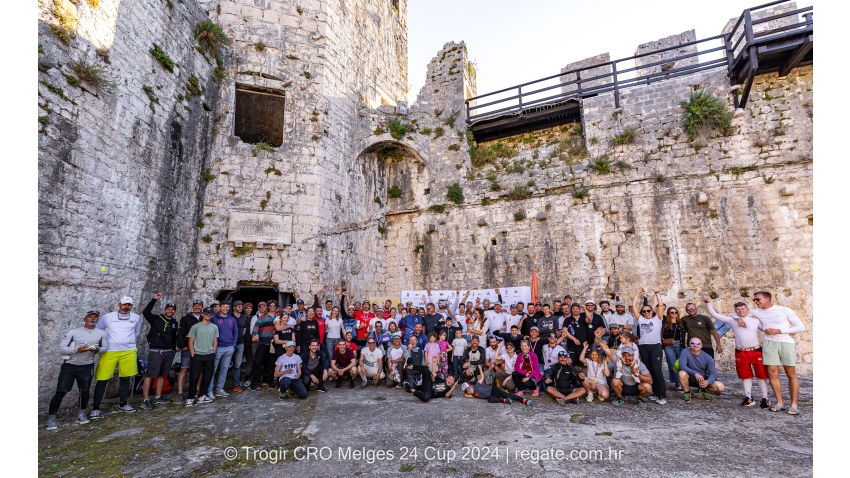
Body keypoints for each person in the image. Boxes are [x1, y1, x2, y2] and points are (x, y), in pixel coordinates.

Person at [46, 310, 108, 429]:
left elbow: (105, 347)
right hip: (70, 365)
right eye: (90, 317)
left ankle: (81, 414)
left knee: (84, 391)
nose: (93, 319)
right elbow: (62, 348)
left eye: (95, 317)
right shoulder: (74, 332)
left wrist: (97, 350)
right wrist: (77, 350)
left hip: (87, 366)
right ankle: (51, 419)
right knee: (61, 391)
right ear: (84, 319)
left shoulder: (101, 333)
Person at [704, 298, 769, 407]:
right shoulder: (732, 320)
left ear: (747, 309)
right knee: (745, 376)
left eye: (742, 309)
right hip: (741, 351)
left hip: (755, 350)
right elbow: (715, 314)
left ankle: (765, 398)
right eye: (738, 309)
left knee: (761, 375)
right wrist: (708, 303)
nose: (740, 311)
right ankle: (748, 397)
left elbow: (767, 329)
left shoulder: (755, 319)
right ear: (735, 311)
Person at [750, 291, 806, 415]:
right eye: (754, 300)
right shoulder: (756, 312)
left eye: (758, 299)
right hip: (769, 344)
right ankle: (780, 402)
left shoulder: (783, 310)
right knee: (772, 373)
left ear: (767, 299)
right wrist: (739, 320)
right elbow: (737, 314)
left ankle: (794, 404)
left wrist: (780, 331)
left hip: (787, 343)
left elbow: (801, 327)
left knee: (790, 373)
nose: (755, 301)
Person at [91, 296, 142, 417]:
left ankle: (123, 404)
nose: (126, 307)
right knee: (102, 379)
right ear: (119, 304)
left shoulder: (136, 317)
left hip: (129, 351)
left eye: (129, 305)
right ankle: (96, 408)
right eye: (124, 304)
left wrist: (127, 341)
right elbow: (97, 329)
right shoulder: (108, 317)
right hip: (109, 351)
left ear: (132, 306)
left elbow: (137, 331)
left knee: (125, 378)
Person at [140, 292, 179, 410]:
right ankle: (145, 400)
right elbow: (145, 312)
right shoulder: (156, 319)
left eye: (172, 309)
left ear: (174, 311)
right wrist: (154, 300)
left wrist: (173, 350)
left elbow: (173, 337)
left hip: (168, 352)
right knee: (150, 375)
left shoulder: (174, 323)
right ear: (165, 310)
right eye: (168, 309)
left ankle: (158, 397)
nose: (170, 311)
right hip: (156, 351)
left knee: (163, 374)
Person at [632, 285, 667, 405]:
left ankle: (662, 395)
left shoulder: (658, 319)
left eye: (648, 311)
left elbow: (661, 306)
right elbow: (634, 307)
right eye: (644, 311)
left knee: (657, 370)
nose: (646, 313)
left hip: (655, 346)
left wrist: (657, 292)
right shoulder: (641, 319)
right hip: (643, 347)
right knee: (649, 370)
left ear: (652, 311)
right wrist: (637, 294)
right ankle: (655, 393)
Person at [186, 307, 218, 406]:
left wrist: (213, 353)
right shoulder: (195, 327)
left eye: (210, 314)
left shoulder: (214, 327)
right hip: (198, 354)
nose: (208, 315)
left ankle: (202, 395)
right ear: (202, 314)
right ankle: (190, 398)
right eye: (206, 313)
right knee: (194, 377)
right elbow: (190, 341)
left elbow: (215, 341)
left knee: (208, 376)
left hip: (209, 355)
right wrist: (193, 354)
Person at [207, 302, 238, 400]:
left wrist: (233, 345)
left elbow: (235, 332)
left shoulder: (232, 319)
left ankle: (219, 389)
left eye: (227, 307)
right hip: (218, 348)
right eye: (223, 307)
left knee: (224, 369)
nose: (225, 308)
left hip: (229, 347)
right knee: (213, 370)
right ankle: (209, 390)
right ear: (220, 307)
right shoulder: (214, 319)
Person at [176, 300, 204, 401]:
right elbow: (180, 332)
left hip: (200, 348)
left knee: (200, 369)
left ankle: (197, 389)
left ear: (202, 307)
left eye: (199, 306)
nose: (197, 307)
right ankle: (180, 392)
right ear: (192, 307)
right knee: (184, 369)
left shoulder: (204, 317)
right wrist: (182, 345)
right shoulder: (185, 318)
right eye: (195, 306)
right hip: (188, 347)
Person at [462, 371, 531, 406]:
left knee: (508, 395)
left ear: (471, 386)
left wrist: (480, 369)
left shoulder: (477, 385)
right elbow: (465, 395)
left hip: (493, 389)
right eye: (467, 391)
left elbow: (482, 377)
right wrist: (466, 393)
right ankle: (505, 400)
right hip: (491, 395)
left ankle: (523, 400)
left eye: (469, 389)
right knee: (490, 400)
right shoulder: (473, 394)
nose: (469, 391)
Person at [249, 304, 276, 390]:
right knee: (258, 362)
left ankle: (269, 382)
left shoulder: (279, 316)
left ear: (276, 307)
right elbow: (255, 328)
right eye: (270, 306)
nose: (272, 307)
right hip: (263, 342)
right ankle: (256, 382)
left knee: (271, 364)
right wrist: (254, 335)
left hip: (273, 343)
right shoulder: (262, 317)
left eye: (274, 305)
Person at [662, 306, 686, 392]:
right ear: (669, 313)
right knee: (672, 364)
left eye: (676, 312)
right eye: (672, 312)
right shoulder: (665, 323)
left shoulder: (681, 322)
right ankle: (677, 383)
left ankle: (683, 381)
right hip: (668, 345)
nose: (674, 314)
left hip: (680, 344)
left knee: (680, 364)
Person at [230, 300, 248, 393]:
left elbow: (244, 330)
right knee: (225, 365)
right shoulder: (229, 317)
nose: (241, 308)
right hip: (229, 344)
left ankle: (237, 384)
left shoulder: (243, 318)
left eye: (241, 306)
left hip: (240, 343)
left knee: (238, 364)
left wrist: (240, 338)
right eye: (239, 306)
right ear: (234, 307)